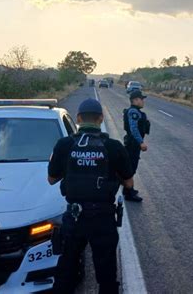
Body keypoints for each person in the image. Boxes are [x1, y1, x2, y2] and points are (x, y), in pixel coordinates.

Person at [48, 98, 134, 294]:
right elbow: (129, 183)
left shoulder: (64, 145)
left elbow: (51, 179)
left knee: (66, 271)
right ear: (101, 119)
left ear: (78, 118)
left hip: (74, 217)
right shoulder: (113, 147)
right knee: (106, 275)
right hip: (103, 219)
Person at [123, 90, 151, 202]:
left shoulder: (135, 111)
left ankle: (128, 189)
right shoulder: (133, 112)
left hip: (133, 143)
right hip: (133, 144)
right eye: (141, 99)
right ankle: (129, 193)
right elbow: (134, 129)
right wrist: (141, 142)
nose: (143, 101)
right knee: (130, 168)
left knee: (131, 167)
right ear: (135, 100)